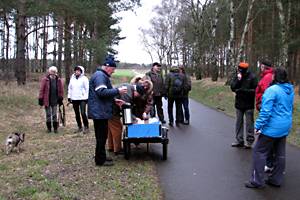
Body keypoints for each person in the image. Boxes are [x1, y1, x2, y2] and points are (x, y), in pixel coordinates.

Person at [245, 67, 294, 189]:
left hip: (272, 127)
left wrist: (257, 126)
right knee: (280, 152)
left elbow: (266, 112)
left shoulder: (272, 90)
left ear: (275, 77)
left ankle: (257, 181)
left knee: (259, 151)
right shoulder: (290, 89)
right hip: (285, 125)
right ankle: (276, 179)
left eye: (273, 75)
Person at [88, 58, 127, 166]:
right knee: (101, 136)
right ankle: (100, 160)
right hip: (99, 112)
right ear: (107, 67)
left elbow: (101, 95)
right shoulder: (100, 76)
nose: (113, 71)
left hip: (101, 111)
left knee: (102, 136)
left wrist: (114, 100)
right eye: (113, 69)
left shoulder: (101, 75)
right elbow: (101, 92)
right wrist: (117, 91)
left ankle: (101, 156)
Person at [107, 81, 152, 155]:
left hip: (109, 108)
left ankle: (111, 147)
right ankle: (117, 149)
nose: (137, 97)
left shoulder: (128, 87)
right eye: (138, 95)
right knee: (117, 128)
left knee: (111, 129)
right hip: (112, 110)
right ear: (136, 91)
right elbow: (125, 109)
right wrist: (135, 119)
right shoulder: (127, 94)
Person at [230, 62, 258, 148]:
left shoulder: (252, 77)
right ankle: (239, 140)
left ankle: (249, 141)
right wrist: (238, 80)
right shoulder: (237, 76)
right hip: (239, 104)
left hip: (249, 104)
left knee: (249, 123)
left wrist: (245, 91)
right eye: (239, 70)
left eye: (241, 70)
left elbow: (256, 90)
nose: (239, 71)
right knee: (239, 122)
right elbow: (232, 87)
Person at [255, 60, 274, 172]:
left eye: (261, 66)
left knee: (266, 137)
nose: (260, 68)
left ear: (264, 67)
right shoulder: (266, 76)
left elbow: (268, 94)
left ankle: (269, 162)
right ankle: (270, 162)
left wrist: (261, 103)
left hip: (265, 107)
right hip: (262, 106)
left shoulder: (267, 77)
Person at [38, 66, 64, 133]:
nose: (53, 73)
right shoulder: (45, 79)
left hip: (55, 100)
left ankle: (55, 128)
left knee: (55, 114)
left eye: (54, 72)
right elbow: (41, 90)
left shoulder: (58, 80)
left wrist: (61, 98)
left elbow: (61, 90)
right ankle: (49, 128)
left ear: (56, 72)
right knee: (48, 114)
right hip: (47, 100)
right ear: (49, 72)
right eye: (52, 71)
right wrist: (40, 99)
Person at [67, 66, 89, 134]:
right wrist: (69, 96)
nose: (77, 72)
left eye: (79, 71)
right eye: (76, 70)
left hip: (82, 98)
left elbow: (87, 89)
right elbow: (70, 88)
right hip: (74, 98)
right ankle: (79, 127)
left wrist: (86, 97)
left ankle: (86, 126)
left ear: (81, 71)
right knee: (77, 113)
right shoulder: (72, 78)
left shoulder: (84, 79)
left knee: (83, 113)